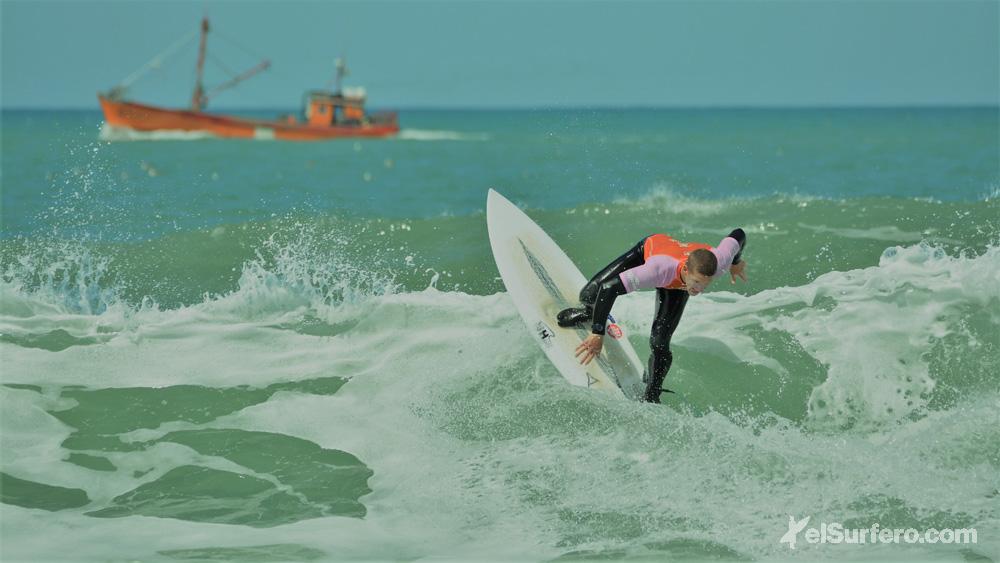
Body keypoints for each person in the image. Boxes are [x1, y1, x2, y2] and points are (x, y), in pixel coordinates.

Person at [556, 229, 747, 403]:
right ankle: (590, 313)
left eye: (706, 283)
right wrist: (597, 333)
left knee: (660, 342)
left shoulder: (719, 262)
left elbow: (739, 235)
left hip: (679, 283)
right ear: (686, 270)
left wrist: (736, 263)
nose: (700, 289)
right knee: (589, 295)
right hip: (653, 252)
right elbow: (609, 288)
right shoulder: (657, 270)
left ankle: (653, 393)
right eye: (697, 282)